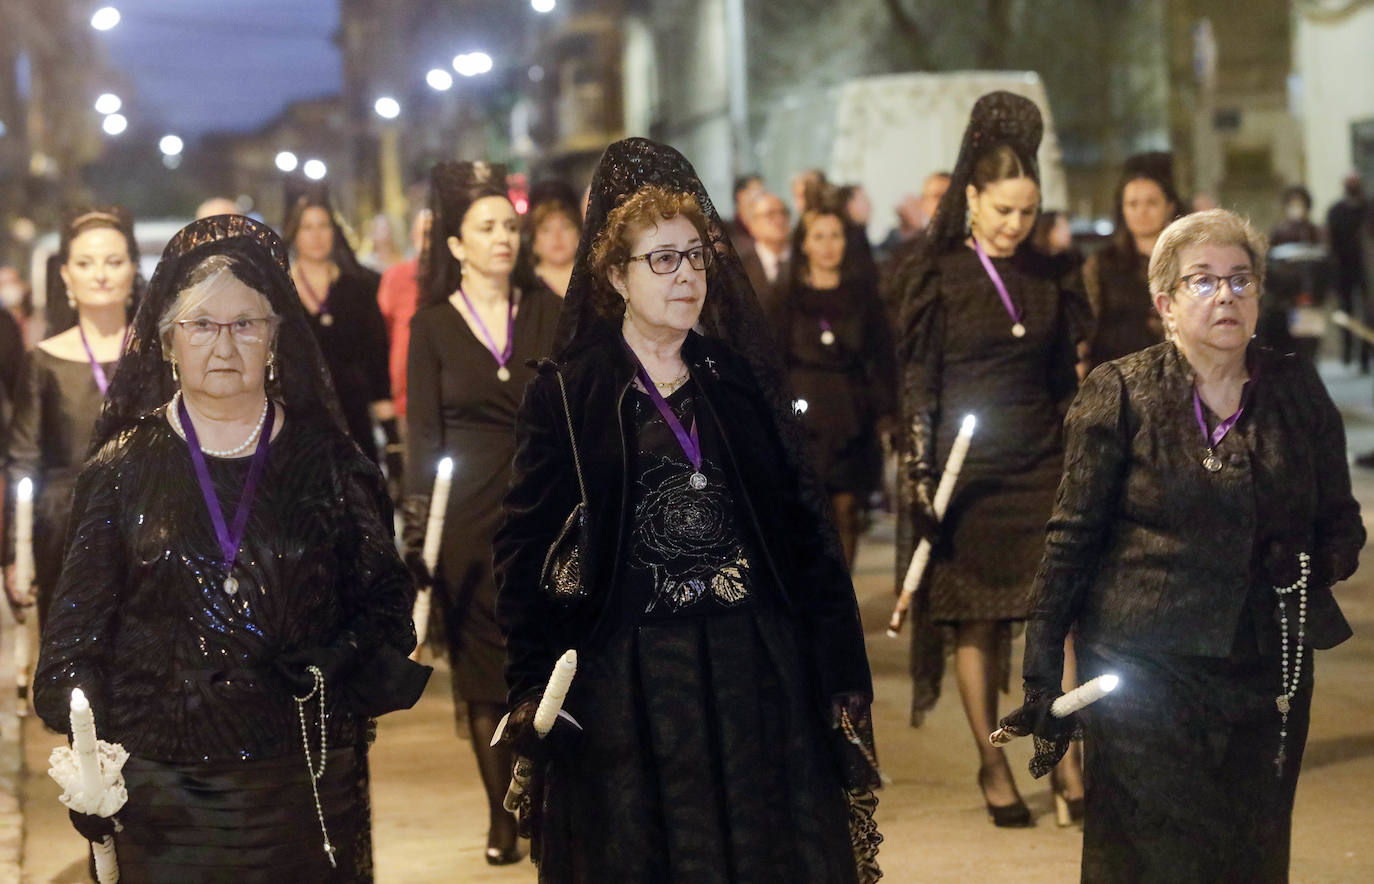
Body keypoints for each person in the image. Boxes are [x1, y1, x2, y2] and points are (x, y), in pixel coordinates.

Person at [493, 137, 881, 882]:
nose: (687, 275)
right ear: (614, 274)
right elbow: (524, 544)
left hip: (749, 659)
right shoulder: (569, 393)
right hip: (630, 672)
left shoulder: (736, 380)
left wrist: (837, 664)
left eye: (697, 256)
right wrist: (529, 682)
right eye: (662, 259)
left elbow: (803, 531)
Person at [34, 213, 428, 882]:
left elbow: (388, 606)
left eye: (246, 324)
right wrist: (88, 760)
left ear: (276, 337)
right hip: (165, 795)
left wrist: (337, 657)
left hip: (301, 778)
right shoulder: (122, 469)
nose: (224, 346)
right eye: (202, 326)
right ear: (166, 341)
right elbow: (71, 647)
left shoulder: (327, 460)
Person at [1000, 208, 1364, 881]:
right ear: (1165, 303)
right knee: (1156, 855)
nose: (1225, 295)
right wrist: (1042, 669)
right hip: (1144, 665)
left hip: (1266, 667)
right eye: (1202, 281)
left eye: (1240, 280)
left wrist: (1306, 562)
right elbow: (1070, 540)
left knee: (1250, 850)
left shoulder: (1296, 389)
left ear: (1258, 296)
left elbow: (1342, 524)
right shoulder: (1119, 392)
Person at [891, 91, 1088, 826]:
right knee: (976, 625)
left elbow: (1065, 381)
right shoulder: (934, 273)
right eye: (1002, 209)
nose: (1015, 225)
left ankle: (1066, 760)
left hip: (1041, 467)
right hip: (963, 477)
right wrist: (917, 475)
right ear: (971, 198)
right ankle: (994, 763)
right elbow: (919, 383)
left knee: (1056, 620)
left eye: (1028, 212)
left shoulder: (1050, 274)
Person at [402, 160, 561, 865]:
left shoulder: (550, 310)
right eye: (487, 227)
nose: (504, 237)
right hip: (464, 524)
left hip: (544, 515)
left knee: (547, 666)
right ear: (457, 245)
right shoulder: (432, 326)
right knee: (480, 678)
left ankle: (549, 804)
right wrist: (416, 544)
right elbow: (422, 439)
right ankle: (504, 817)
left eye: (510, 225)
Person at [4, 208, 140, 628]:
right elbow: (23, 460)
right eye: (85, 263)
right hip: (64, 531)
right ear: (66, 275)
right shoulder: (45, 360)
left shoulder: (158, 355)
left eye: (113, 262)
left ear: (133, 270)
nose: (100, 274)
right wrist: (14, 553)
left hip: (147, 525)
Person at [767, 200, 896, 569]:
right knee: (808, 511)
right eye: (819, 236)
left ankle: (843, 600)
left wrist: (886, 413)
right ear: (804, 243)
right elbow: (772, 358)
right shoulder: (785, 296)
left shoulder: (865, 296)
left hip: (851, 412)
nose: (828, 245)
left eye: (835, 235)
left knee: (847, 509)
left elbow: (882, 356)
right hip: (803, 412)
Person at [281, 182, 393, 467]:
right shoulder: (280, 291)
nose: (316, 235)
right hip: (298, 415)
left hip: (352, 411)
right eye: (307, 227)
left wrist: (388, 421)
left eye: (324, 226)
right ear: (295, 233)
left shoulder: (360, 286)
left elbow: (376, 351)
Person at [1082, 152, 1181, 369]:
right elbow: (1086, 325)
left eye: (1151, 203)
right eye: (1133, 204)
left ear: (1170, 206)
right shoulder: (1102, 263)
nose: (1141, 212)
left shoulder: (1185, 260)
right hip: (1117, 374)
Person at [1326, 174, 1367, 369]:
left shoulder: (1369, 209)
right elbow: (1331, 244)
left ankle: (1366, 357)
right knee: (1346, 311)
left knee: (1368, 312)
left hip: (1366, 269)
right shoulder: (1336, 211)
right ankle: (1347, 354)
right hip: (1343, 269)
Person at [527, 183, 582, 297]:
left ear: (578, 234)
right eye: (546, 230)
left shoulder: (595, 284)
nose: (557, 236)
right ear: (534, 241)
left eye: (566, 227)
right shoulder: (524, 291)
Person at [737, 191, 791, 300]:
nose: (779, 219)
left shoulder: (805, 260)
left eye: (783, 213)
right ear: (752, 225)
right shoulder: (739, 265)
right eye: (770, 214)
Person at [727, 172, 764, 251]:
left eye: (763, 191)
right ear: (740, 195)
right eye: (755, 190)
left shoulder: (766, 231)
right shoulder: (727, 229)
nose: (762, 196)